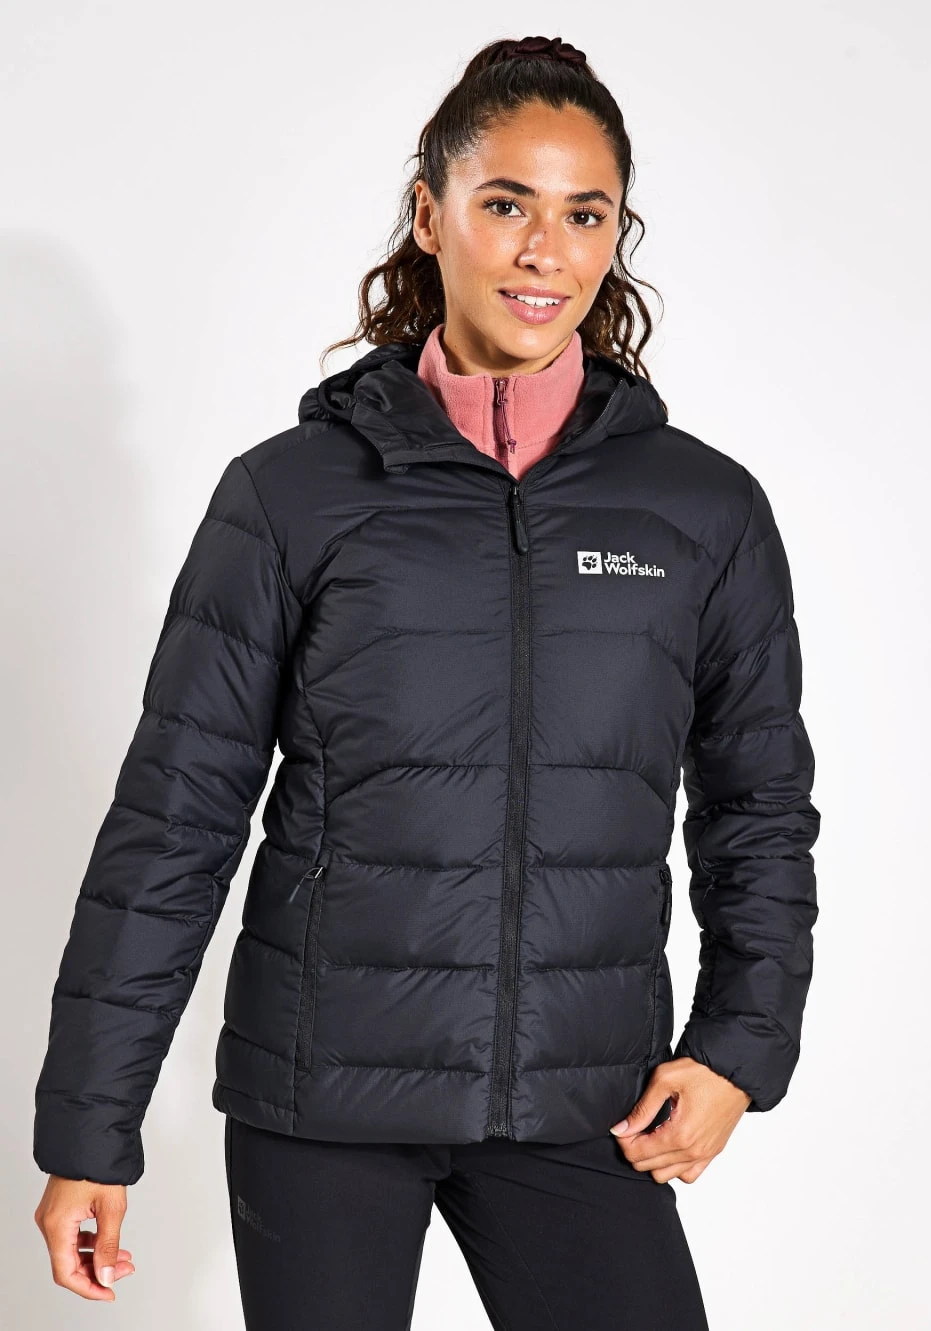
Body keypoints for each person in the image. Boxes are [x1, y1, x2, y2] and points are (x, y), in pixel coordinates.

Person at [32, 33, 820, 1329]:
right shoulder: (291, 496)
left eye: (585, 215)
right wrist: (90, 1128)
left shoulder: (702, 510)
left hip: (583, 1096)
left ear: (615, 237)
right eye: (506, 203)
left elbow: (760, 810)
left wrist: (741, 1044)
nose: (544, 250)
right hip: (321, 1099)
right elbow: (174, 819)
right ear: (428, 214)